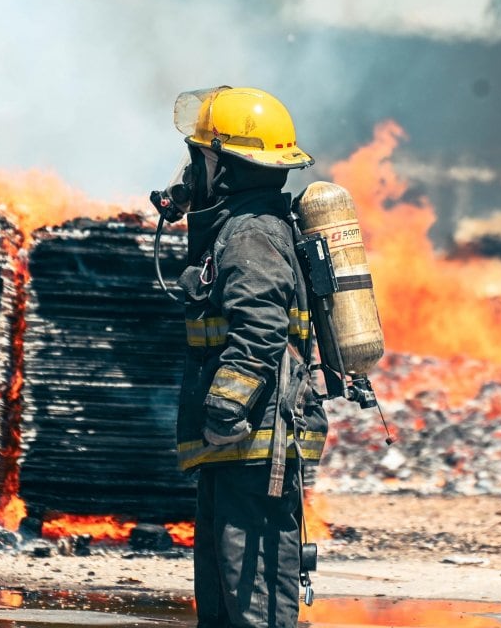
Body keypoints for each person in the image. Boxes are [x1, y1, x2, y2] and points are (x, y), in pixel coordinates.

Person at [161, 86, 328, 628]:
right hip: (237, 453)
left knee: (254, 604)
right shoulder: (238, 226)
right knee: (223, 604)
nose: (193, 169)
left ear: (227, 167)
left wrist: (223, 410)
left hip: (256, 449)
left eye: (201, 159)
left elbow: (260, 330)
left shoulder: (251, 234)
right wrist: (185, 198)